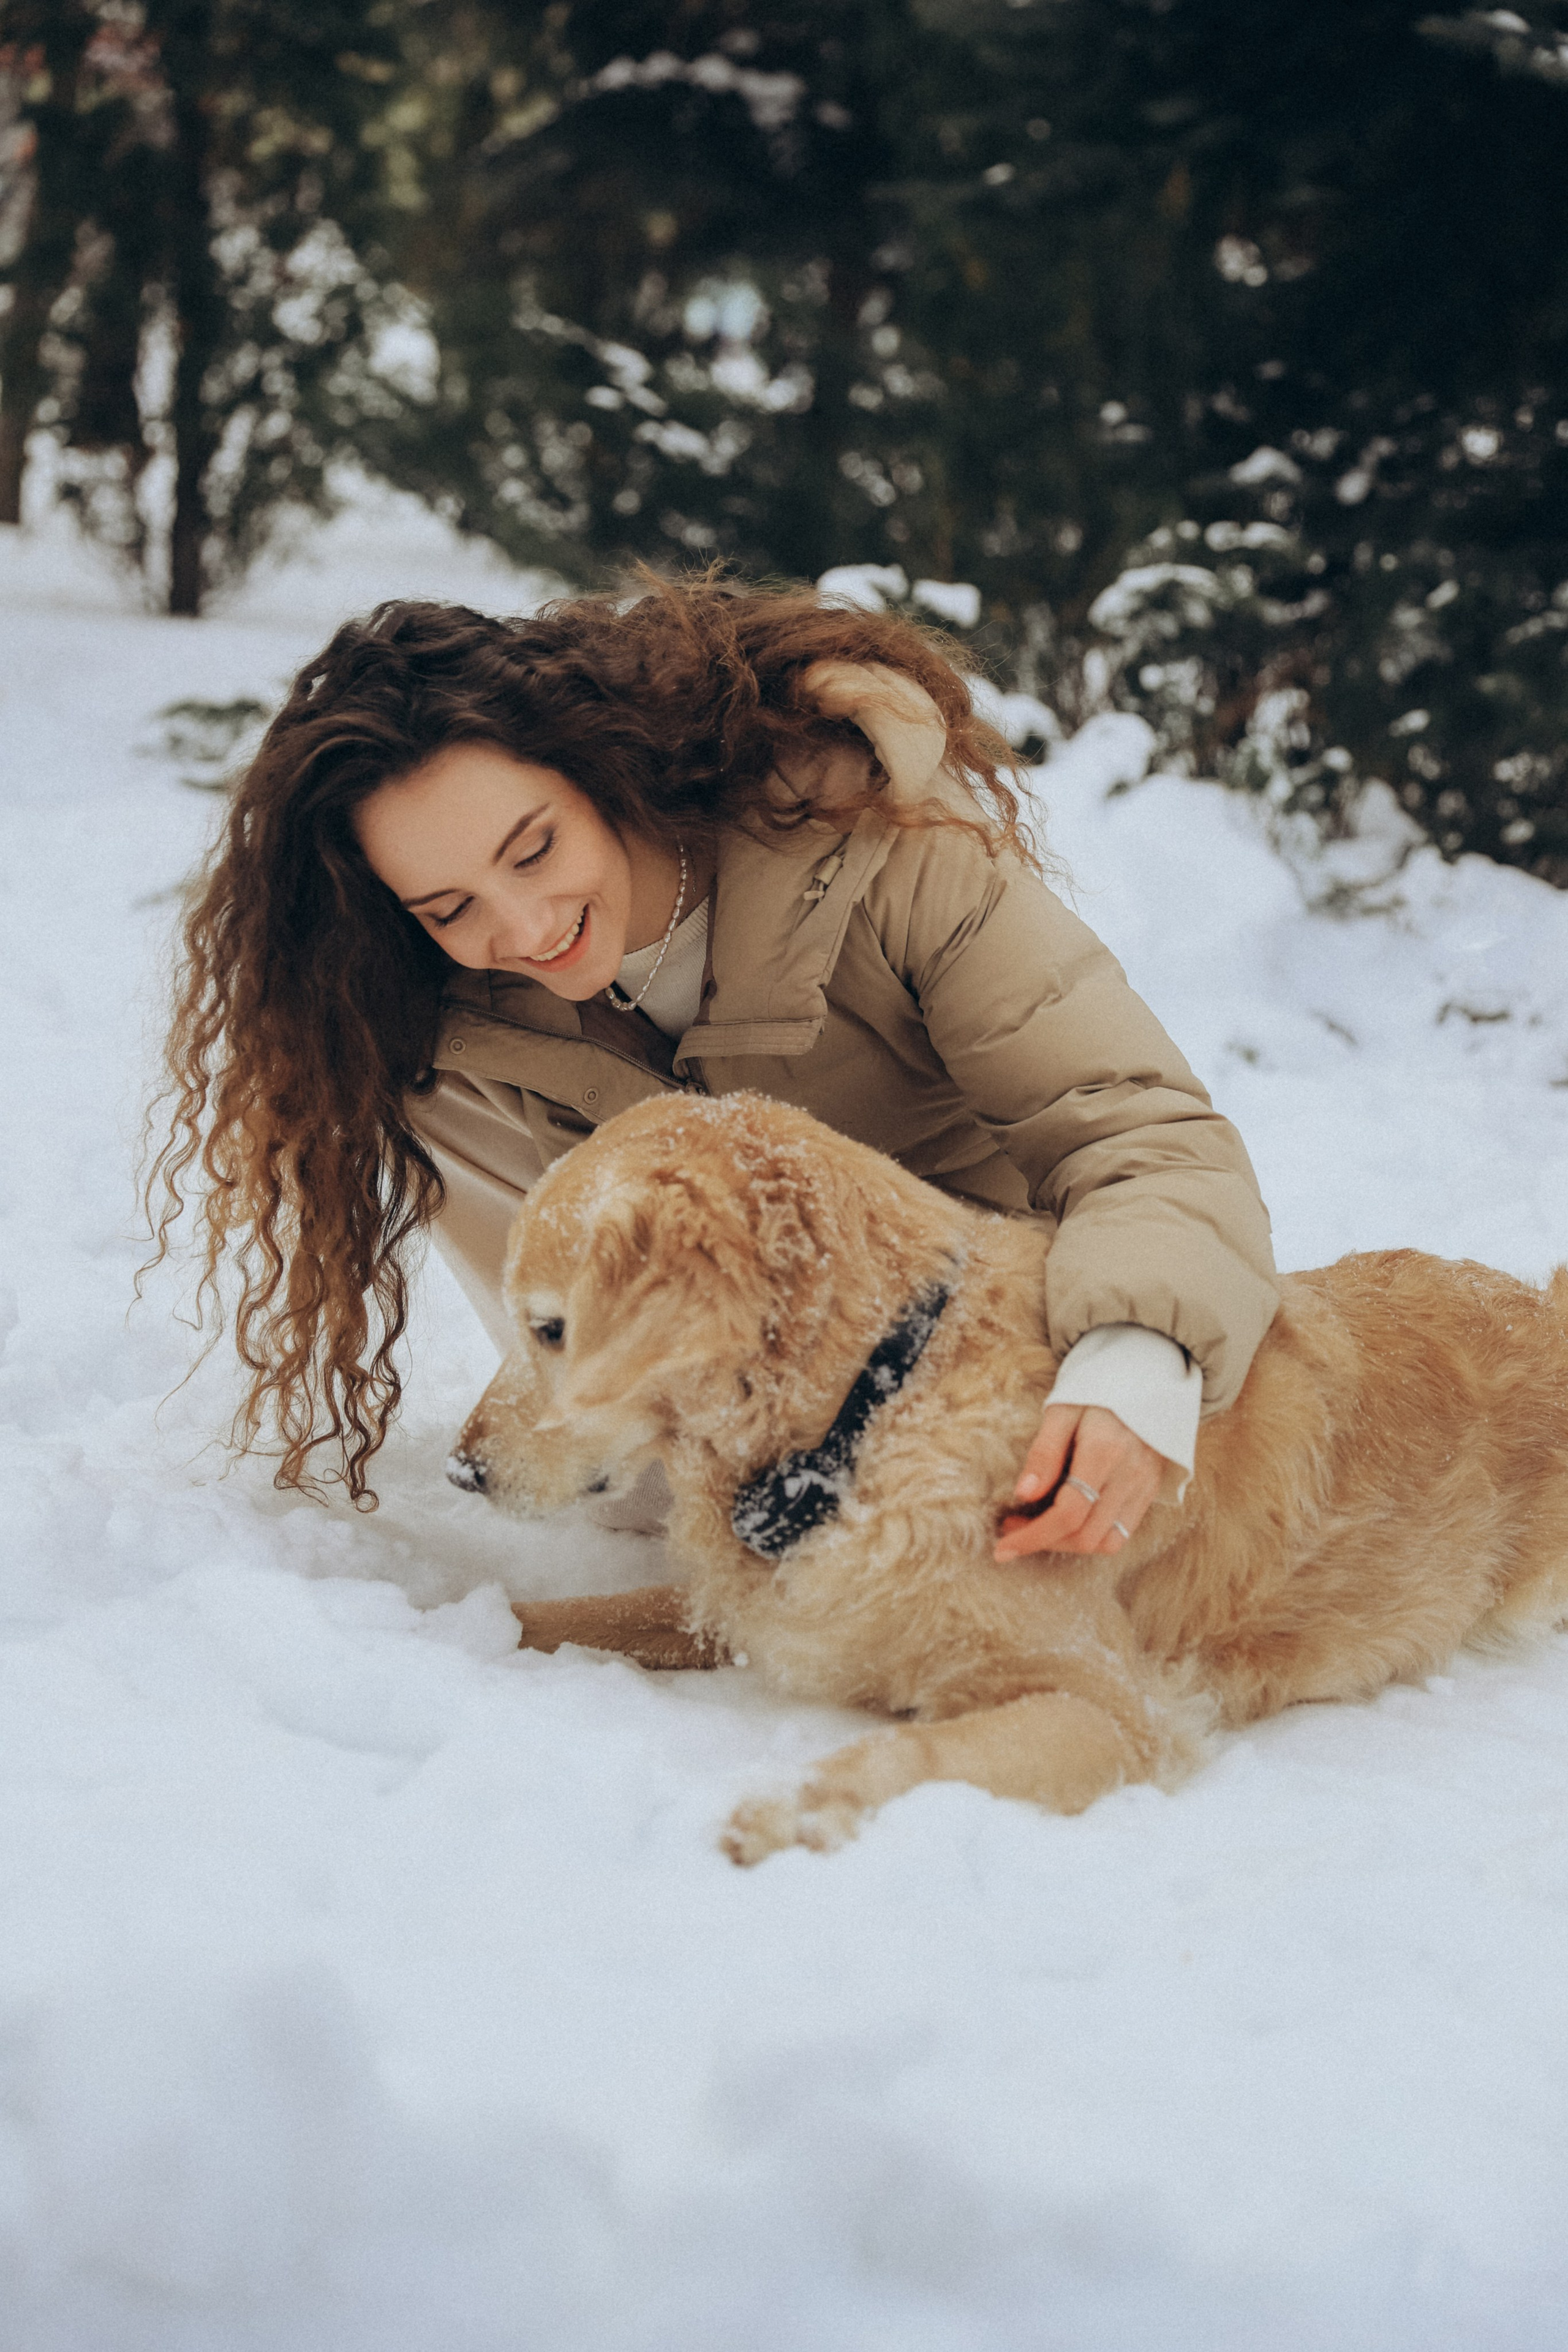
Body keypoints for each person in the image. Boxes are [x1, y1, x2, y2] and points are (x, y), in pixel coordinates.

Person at [148, 576, 1279, 1562]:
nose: (525, 924)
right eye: (450, 907)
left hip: (988, 1329)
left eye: (533, 848)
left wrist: (1137, 1366)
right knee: (392, 1061)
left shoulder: (883, 848)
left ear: (597, 768)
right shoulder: (457, 1020)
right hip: (725, 1379)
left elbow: (1138, 1130)